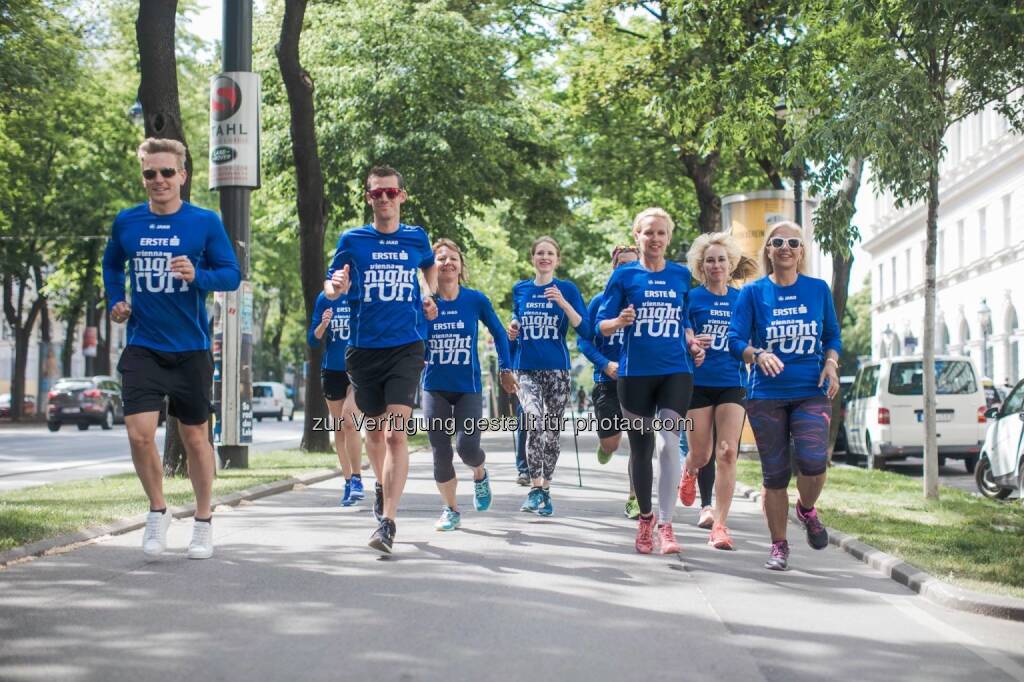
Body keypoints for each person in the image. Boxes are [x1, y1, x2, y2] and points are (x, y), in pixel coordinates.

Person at [103, 137, 241, 560]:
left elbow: (231, 274)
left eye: (167, 172)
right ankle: (158, 510)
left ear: (182, 175)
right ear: (143, 176)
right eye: (150, 173)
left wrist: (198, 275)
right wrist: (116, 300)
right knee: (138, 434)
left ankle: (202, 521)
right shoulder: (127, 222)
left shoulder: (204, 222)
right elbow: (111, 265)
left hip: (191, 349)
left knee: (196, 438)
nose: (158, 179)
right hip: (143, 345)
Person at [324, 165, 438, 554]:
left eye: (391, 192)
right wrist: (335, 287)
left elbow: (428, 266)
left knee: (394, 434)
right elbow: (331, 282)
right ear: (368, 198)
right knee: (373, 434)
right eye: (377, 193)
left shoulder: (416, 237)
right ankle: (379, 483)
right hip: (363, 349)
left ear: (402, 196)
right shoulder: (352, 240)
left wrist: (429, 294)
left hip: (407, 346)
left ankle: (388, 521)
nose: (385, 198)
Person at [727, 220, 841, 571]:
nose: (786, 248)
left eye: (793, 242)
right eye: (778, 242)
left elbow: (832, 335)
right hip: (766, 394)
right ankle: (779, 546)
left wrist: (831, 363)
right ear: (769, 251)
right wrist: (757, 354)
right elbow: (734, 340)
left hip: (811, 390)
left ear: (802, 251)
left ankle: (806, 509)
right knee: (775, 475)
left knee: (813, 463)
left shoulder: (818, 290)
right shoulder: (752, 293)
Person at [597, 208, 703, 554]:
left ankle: (667, 525)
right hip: (635, 374)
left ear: (668, 237)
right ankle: (646, 518)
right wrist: (619, 321)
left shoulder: (681, 275)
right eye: (648, 233)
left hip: (675, 370)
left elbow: (685, 320)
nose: (655, 239)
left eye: (660, 233)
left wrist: (692, 343)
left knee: (669, 442)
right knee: (642, 449)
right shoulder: (624, 276)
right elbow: (601, 325)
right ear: (637, 236)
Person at [422, 239, 518, 531]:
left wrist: (505, 369)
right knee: (440, 452)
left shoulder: (475, 300)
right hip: (434, 386)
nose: (448, 263)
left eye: (453, 258)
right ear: (432, 267)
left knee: (467, 448)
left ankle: (479, 472)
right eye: (441, 258)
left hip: (468, 387)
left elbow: (500, 334)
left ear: (461, 266)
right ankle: (450, 509)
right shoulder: (424, 303)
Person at [677, 232, 759, 550]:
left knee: (727, 453)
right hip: (697, 383)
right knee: (702, 454)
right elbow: (680, 335)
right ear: (701, 265)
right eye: (709, 260)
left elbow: (752, 341)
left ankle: (721, 526)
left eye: (721, 260)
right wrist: (693, 342)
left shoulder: (742, 299)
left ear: (730, 264)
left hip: (732, 382)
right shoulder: (692, 298)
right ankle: (690, 469)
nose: (716, 265)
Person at [508, 236, 589, 517]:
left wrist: (564, 303)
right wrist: (513, 325)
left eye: (550, 253)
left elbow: (585, 328)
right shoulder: (520, 288)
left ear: (557, 259)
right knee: (533, 421)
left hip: (557, 370)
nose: (544, 257)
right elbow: (516, 315)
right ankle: (534, 488)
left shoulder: (567, 288)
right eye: (540, 253)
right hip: (526, 369)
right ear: (532, 258)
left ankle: (546, 488)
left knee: (552, 432)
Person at [578, 245, 641, 518]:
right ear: (614, 268)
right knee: (612, 444)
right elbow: (584, 341)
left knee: (639, 443)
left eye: (632, 264)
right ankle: (605, 446)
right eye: (621, 264)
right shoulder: (599, 302)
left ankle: (635, 498)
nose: (627, 269)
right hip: (607, 381)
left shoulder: (646, 300)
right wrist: (605, 364)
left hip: (639, 381)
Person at [307, 291, 366, 506]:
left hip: (358, 369)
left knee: (350, 421)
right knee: (340, 428)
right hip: (332, 371)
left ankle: (357, 478)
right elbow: (313, 340)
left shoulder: (362, 292)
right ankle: (348, 481)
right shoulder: (325, 298)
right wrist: (323, 325)